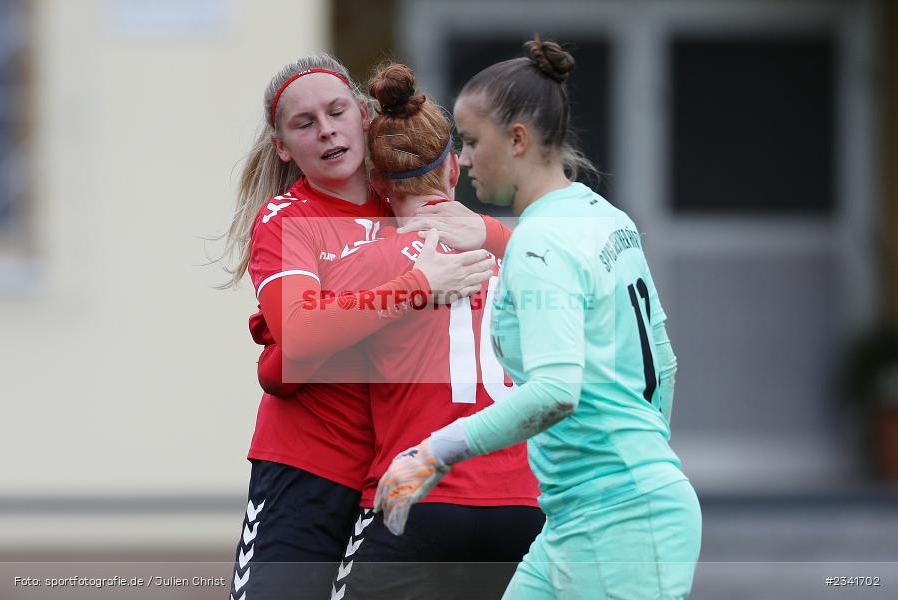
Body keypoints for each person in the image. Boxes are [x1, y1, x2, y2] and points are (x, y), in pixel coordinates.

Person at [376, 37, 703, 599]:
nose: (467, 160)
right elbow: (665, 364)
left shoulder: (539, 242)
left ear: (519, 140)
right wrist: (637, 463)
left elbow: (556, 390)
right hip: (584, 517)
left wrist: (433, 452)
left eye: (474, 142)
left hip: (617, 522)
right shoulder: (604, 216)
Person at [257, 62, 545, 600]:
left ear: (366, 120)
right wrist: (475, 246)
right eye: (305, 122)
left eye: (337, 111)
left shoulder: (383, 238)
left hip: (406, 482)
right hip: (319, 464)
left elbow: (281, 362)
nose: (325, 129)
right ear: (455, 168)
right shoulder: (288, 218)